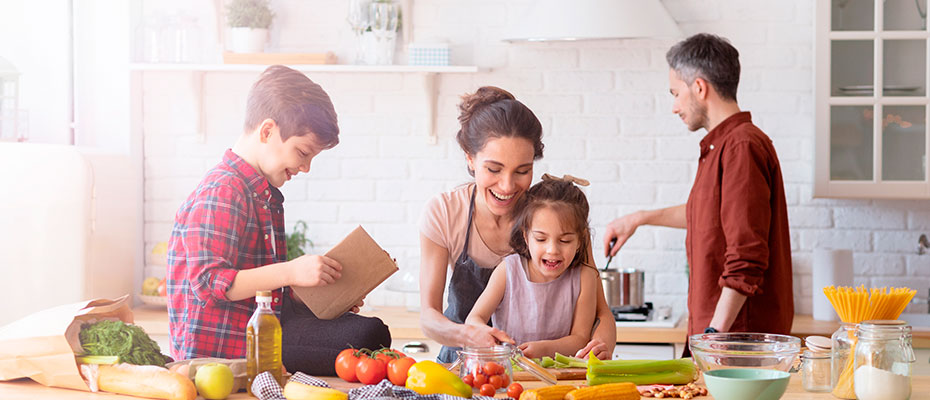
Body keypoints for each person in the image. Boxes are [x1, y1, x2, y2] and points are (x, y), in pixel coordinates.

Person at [166, 65, 390, 375]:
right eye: (302, 152)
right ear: (268, 131)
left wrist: (308, 293)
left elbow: (257, 288)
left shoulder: (260, 192)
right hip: (226, 352)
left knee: (366, 332)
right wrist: (291, 271)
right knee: (367, 336)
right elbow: (208, 281)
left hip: (263, 330)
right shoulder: (223, 190)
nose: (306, 167)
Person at [602, 33, 793, 351]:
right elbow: (706, 214)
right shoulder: (724, 145)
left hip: (735, 339)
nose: (674, 106)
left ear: (700, 88)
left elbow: (746, 257)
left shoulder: (741, 147)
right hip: (722, 336)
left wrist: (712, 334)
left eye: (676, 93)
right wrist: (638, 219)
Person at [419, 86, 616, 363]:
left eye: (523, 171)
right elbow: (429, 317)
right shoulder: (444, 212)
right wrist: (469, 335)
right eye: (494, 169)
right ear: (470, 158)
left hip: (538, 372)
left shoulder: (552, 217)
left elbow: (602, 313)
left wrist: (600, 345)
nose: (508, 186)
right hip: (462, 364)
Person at [465, 174, 600, 358]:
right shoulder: (508, 271)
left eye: (565, 240)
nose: (552, 250)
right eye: (541, 239)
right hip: (509, 378)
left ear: (580, 240)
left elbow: (580, 339)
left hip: (559, 379)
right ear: (526, 236)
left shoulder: (584, 277)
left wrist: (544, 349)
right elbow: (474, 319)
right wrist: (488, 336)